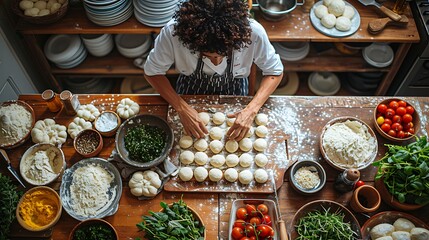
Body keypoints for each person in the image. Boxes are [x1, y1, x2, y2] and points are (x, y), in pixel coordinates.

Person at [144, 0, 283, 141]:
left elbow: (274, 72)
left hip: (236, 88)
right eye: (207, 56)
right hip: (189, 88)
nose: (216, 62)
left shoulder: (253, 33)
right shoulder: (173, 33)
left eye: (223, 55)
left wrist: (251, 110)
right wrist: (181, 108)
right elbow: (152, 72)